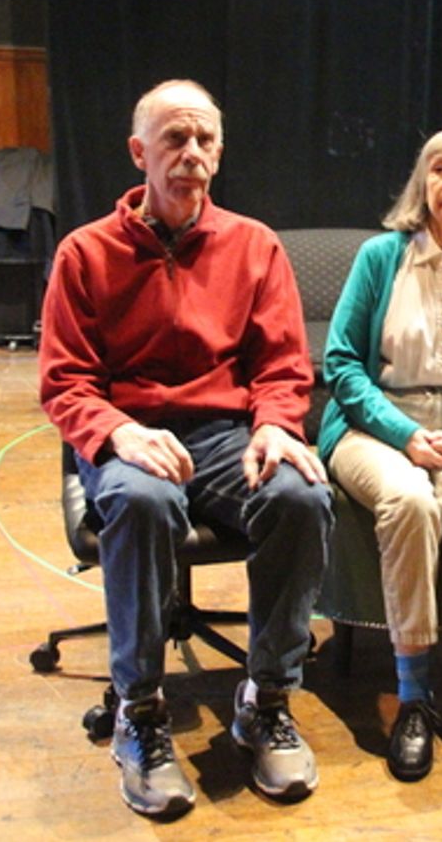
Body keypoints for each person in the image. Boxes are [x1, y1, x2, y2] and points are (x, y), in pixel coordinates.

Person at [39, 79, 333, 817]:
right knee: (140, 502)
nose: (191, 154)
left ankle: (266, 698)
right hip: (126, 428)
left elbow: (283, 366)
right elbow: (64, 382)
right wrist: (119, 433)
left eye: (204, 140)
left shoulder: (253, 245)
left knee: (301, 494)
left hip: (223, 431)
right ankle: (140, 713)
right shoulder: (85, 253)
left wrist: (273, 423)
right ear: (140, 152)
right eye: (175, 138)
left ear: (219, 153)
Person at [319, 127, 442, 784]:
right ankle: (412, 698)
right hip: (370, 426)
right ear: (423, 185)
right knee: (407, 499)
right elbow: (341, 362)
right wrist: (401, 433)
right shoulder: (382, 257)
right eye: (441, 168)